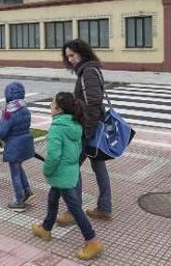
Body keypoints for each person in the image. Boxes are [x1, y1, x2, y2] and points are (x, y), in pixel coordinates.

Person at [31, 92, 102, 261]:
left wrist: (47, 171)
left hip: (60, 173)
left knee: (75, 209)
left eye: (52, 104)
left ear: (59, 109)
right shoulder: (74, 124)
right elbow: (77, 149)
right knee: (52, 198)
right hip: (70, 170)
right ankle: (46, 228)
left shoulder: (56, 129)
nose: (50, 106)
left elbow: (54, 156)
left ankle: (92, 241)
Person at [56, 39, 112, 226]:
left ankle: (74, 210)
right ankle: (104, 208)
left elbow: (94, 103)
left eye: (73, 55)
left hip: (89, 128)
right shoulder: (89, 69)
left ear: (83, 53)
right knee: (98, 167)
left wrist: (86, 132)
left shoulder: (88, 72)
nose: (70, 59)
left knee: (71, 166)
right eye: (67, 56)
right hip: (93, 126)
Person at [0, 81, 35, 212]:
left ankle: (19, 200)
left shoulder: (9, 112)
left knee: (15, 173)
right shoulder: (24, 108)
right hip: (24, 145)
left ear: (8, 94)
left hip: (14, 146)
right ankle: (27, 191)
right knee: (19, 168)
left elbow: (1, 132)